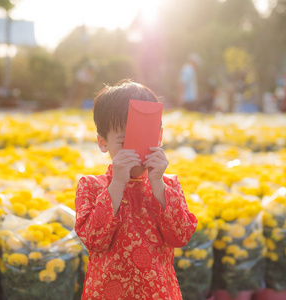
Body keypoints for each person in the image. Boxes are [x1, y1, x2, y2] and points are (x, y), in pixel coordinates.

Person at [75, 79, 198, 300]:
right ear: (103, 143)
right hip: (105, 293)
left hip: (157, 293)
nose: (135, 153)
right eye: (124, 144)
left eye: (144, 141)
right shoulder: (91, 186)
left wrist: (158, 183)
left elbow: (181, 236)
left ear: (159, 138)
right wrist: (117, 184)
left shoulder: (168, 185)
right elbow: (94, 239)